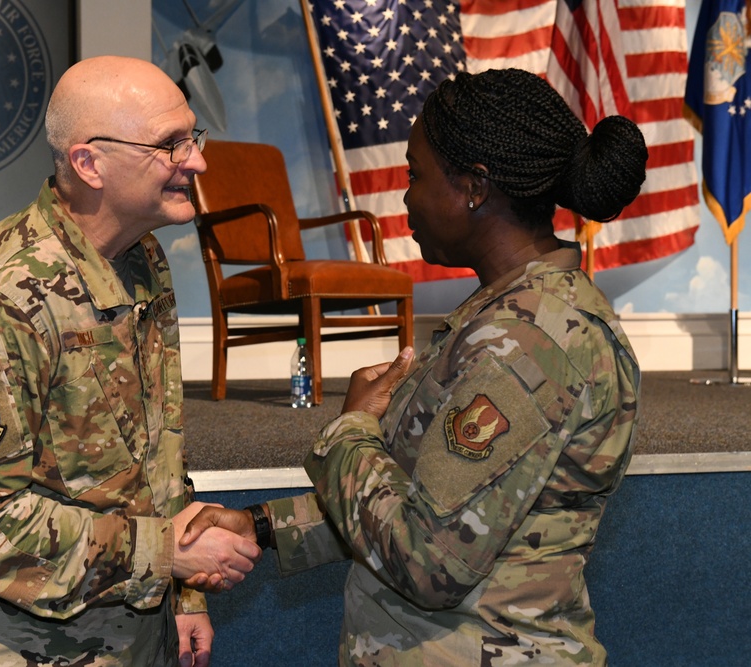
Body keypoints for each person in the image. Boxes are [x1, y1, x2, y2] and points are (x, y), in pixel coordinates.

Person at [182, 68, 646, 665]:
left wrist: (350, 431)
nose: (405, 196)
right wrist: (261, 527)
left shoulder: (533, 344)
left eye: (415, 175)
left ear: (474, 187)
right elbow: (417, 496)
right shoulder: (503, 319)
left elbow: (430, 559)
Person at [0, 55, 261, 667]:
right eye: (170, 145)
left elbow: (155, 451)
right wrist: (169, 554)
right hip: (15, 645)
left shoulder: (142, 259)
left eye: (191, 138)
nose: (197, 161)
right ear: (89, 163)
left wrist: (185, 595)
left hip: (134, 629)